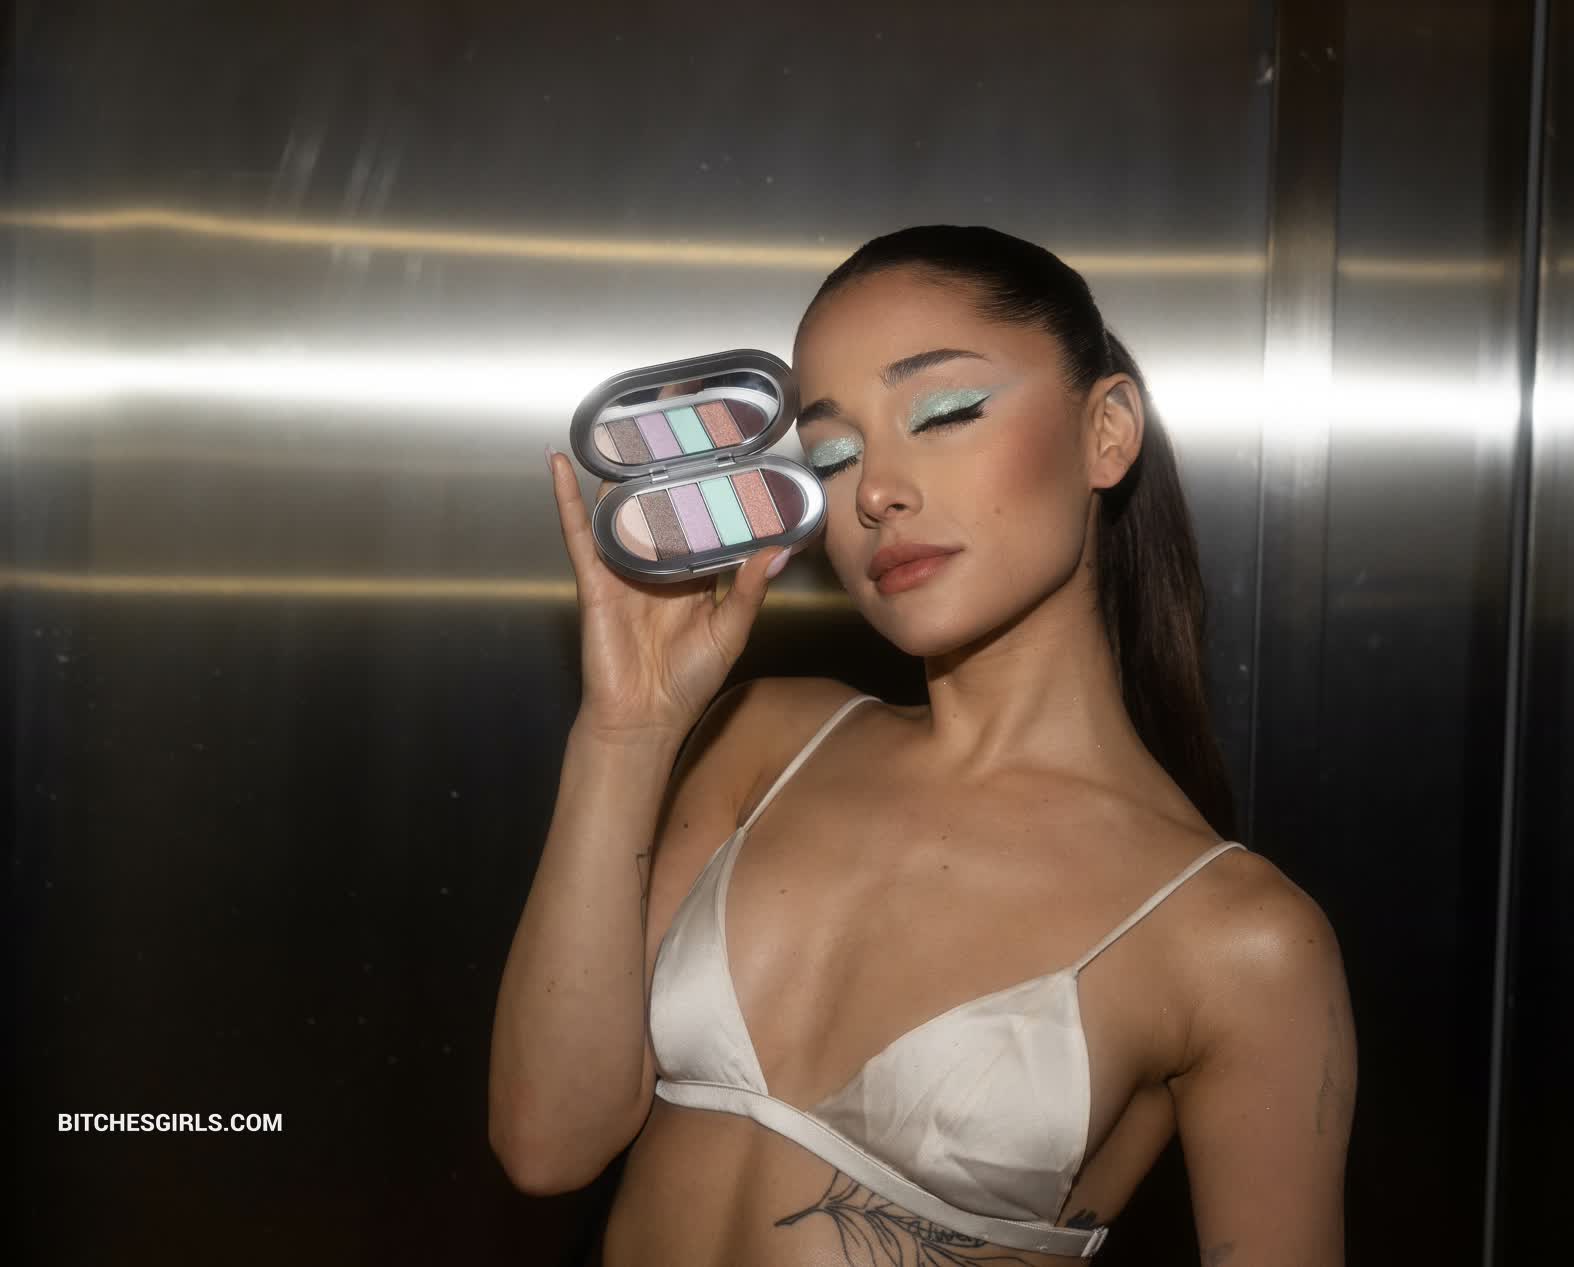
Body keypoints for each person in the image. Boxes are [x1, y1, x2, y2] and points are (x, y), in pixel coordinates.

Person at [490, 225, 1356, 1266]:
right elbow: (548, 1144)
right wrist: (625, 729)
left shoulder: (1240, 941)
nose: (874, 491)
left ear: (1107, 432)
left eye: (942, 413)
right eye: (832, 452)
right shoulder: (763, 744)